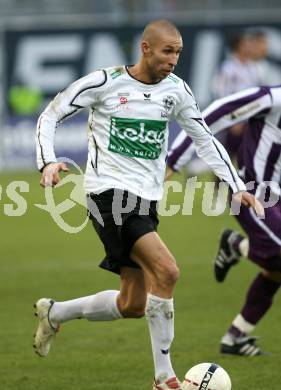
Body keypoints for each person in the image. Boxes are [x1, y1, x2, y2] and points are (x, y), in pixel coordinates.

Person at [34, 20, 261, 389]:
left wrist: (236, 184)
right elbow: (51, 113)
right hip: (107, 195)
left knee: (133, 304)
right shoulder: (105, 82)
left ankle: (55, 312)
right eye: (167, 51)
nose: (173, 59)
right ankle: (164, 379)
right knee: (167, 271)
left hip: (145, 200)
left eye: (178, 52)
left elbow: (204, 139)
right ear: (146, 48)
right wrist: (47, 160)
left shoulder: (177, 91)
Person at [167, 85, 281, 356]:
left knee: (276, 269)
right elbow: (217, 112)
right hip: (252, 192)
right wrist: (173, 159)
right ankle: (238, 245)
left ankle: (236, 336)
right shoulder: (273, 98)